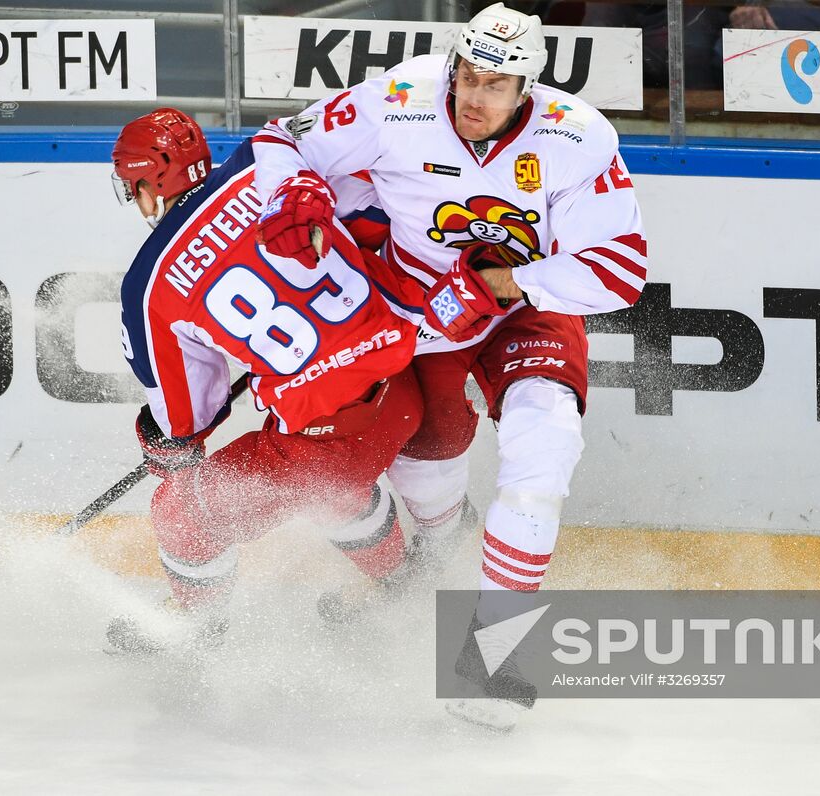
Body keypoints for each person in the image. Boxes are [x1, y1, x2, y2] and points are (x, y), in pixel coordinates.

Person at [251, 2, 648, 729]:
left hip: (528, 305)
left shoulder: (578, 136)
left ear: (526, 87)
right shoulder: (401, 98)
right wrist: (298, 188)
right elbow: (282, 139)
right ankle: (429, 558)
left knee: (541, 461)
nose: (474, 96)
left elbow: (619, 271)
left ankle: (494, 661)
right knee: (430, 459)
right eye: (468, 75)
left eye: (496, 84)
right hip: (422, 311)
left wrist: (501, 284)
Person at [109, 108, 426, 652]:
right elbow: (381, 221)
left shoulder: (149, 282)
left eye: (131, 187)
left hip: (325, 445)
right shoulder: (267, 165)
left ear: (148, 183)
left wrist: (161, 444)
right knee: (333, 485)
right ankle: (401, 579)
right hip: (406, 386)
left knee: (181, 513)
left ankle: (196, 626)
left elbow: (187, 420)